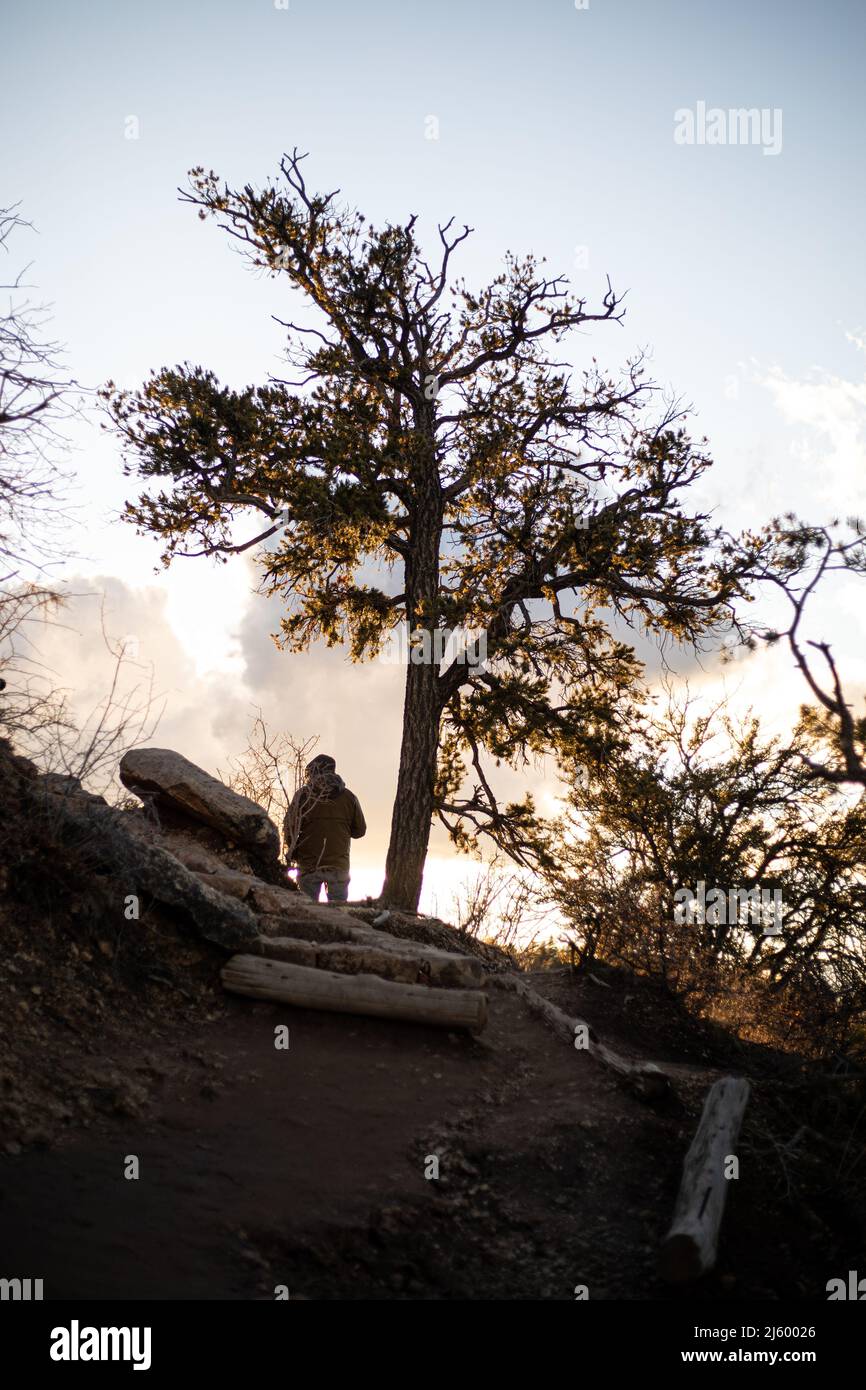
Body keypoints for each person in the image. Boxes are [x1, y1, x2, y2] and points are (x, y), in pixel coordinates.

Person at [284, 754, 366, 903]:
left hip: (309, 865)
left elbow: (289, 828)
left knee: (307, 910)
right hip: (338, 866)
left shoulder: (303, 796)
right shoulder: (349, 797)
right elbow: (360, 831)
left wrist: (293, 852)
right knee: (339, 913)